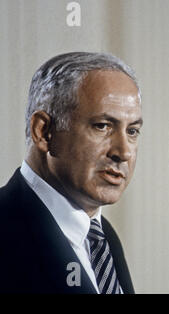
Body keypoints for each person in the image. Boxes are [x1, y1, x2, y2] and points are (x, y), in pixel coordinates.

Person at [0, 52, 143, 293]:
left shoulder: (103, 236)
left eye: (132, 131)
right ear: (44, 132)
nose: (123, 152)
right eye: (103, 126)